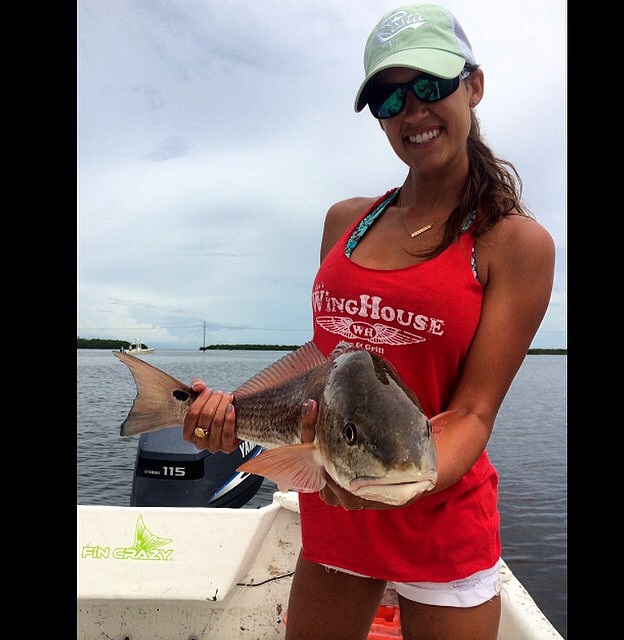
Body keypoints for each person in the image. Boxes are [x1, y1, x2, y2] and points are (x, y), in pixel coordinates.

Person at [183, 4, 555, 639]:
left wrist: (407, 481)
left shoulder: (514, 244)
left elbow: (472, 414)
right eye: (389, 97)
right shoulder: (341, 222)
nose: (413, 111)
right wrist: (230, 417)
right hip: (336, 516)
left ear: (475, 86)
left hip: (438, 522)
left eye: (432, 86)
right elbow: (323, 372)